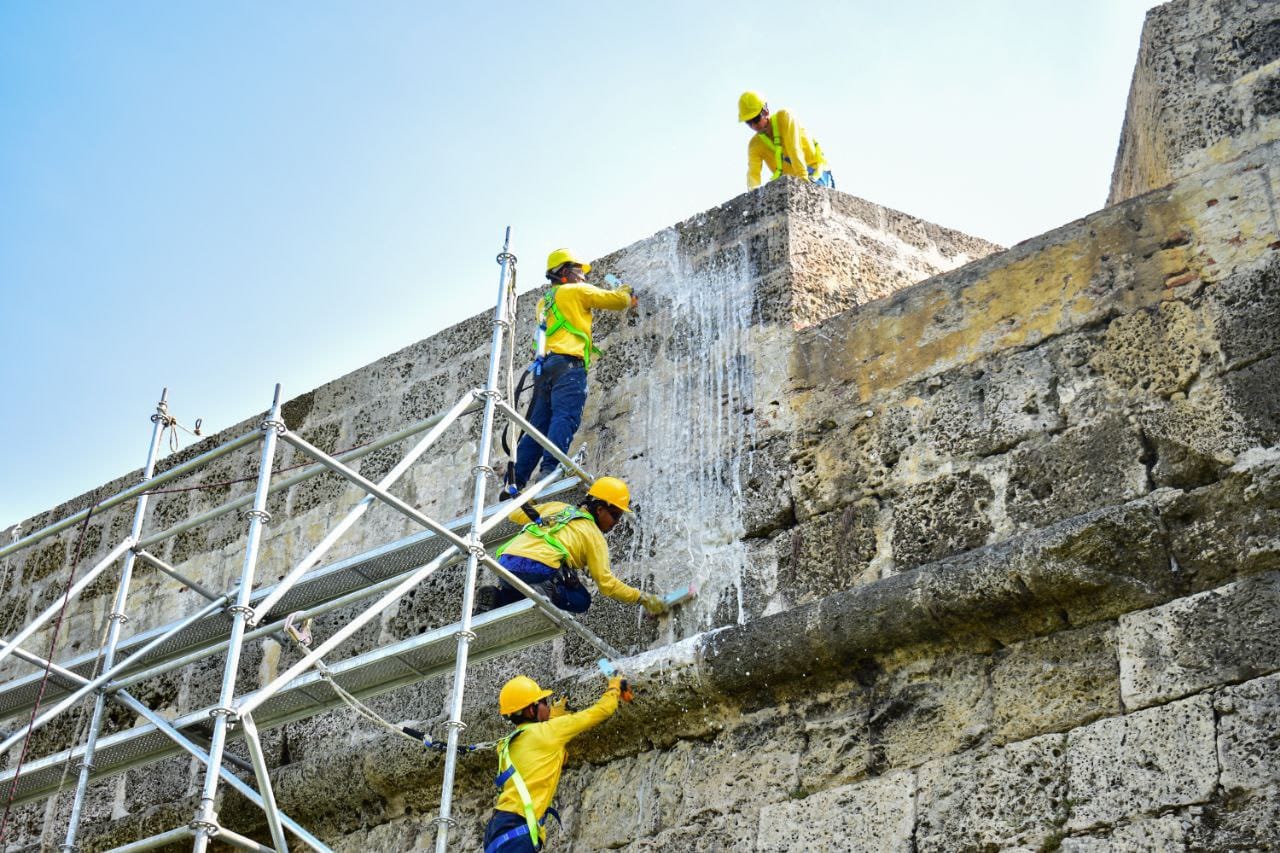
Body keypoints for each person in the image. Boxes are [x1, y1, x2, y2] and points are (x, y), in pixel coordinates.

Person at [508, 248, 637, 493]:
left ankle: (515, 481)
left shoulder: (543, 302)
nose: (584, 277)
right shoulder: (576, 291)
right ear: (565, 272)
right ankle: (550, 470)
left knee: (537, 429)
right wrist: (626, 290)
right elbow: (618, 301)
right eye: (579, 272)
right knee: (564, 416)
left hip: (544, 370)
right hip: (568, 366)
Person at [477, 476, 666, 616]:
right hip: (537, 568)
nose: (616, 522)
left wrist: (532, 503)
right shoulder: (595, 537)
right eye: (615, 515)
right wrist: (642, 598)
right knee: (582, 600)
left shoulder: (559, 508)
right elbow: (607, 585)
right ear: (600, 509)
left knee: (522, 587)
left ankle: (498, 598)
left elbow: (514, 515)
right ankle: (544, 591)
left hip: (505, 564)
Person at [482, 673, 623, 852]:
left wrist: (551, 718)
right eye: (543, 703)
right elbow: (601, 711)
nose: (548, 707)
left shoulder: (506, 744)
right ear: (531, 710)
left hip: (499, 826)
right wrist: (615, 687)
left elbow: (549, 757)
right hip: (517, 825)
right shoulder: (550, 732)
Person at [738, 91, 834, 190]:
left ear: (765, 111)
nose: (753, 125)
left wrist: (803, 180)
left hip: (815, 172)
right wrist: (753, 194)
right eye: (748, 122)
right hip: (791, 182)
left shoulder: (784, 117)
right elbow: (753, 173)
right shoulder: (755, 144)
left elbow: (794, 148)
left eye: (756, 119)